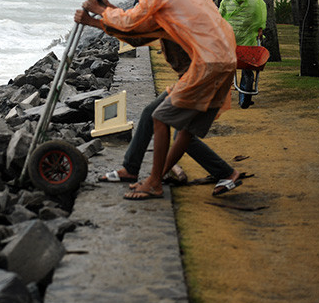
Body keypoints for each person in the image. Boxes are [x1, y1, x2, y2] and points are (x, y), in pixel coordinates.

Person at [75, 0, 240, 200]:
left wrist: (98, 12)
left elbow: (131, 22)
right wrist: (106, 11)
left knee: (160, 117)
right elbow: (137, 33)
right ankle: (135, 170)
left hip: (206, 65)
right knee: (173, 126)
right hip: (223, 60)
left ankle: (154, 182)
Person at [98, 39, 240, 194]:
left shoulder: (176, 19)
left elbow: (136, 33)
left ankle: (225, 173)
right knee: (150, 114)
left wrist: (96, 20)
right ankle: (131, 169)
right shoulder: (170, 20)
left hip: (207, 77)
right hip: (191, 76)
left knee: (172, 125)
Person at [219, 0, 267, 108]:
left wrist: (260, 28)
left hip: (248, 41)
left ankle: (246, 95)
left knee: (247, 69)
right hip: (231, 40)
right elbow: (220, 17)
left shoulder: (254, 1)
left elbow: (261, 14)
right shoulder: (226, 1)